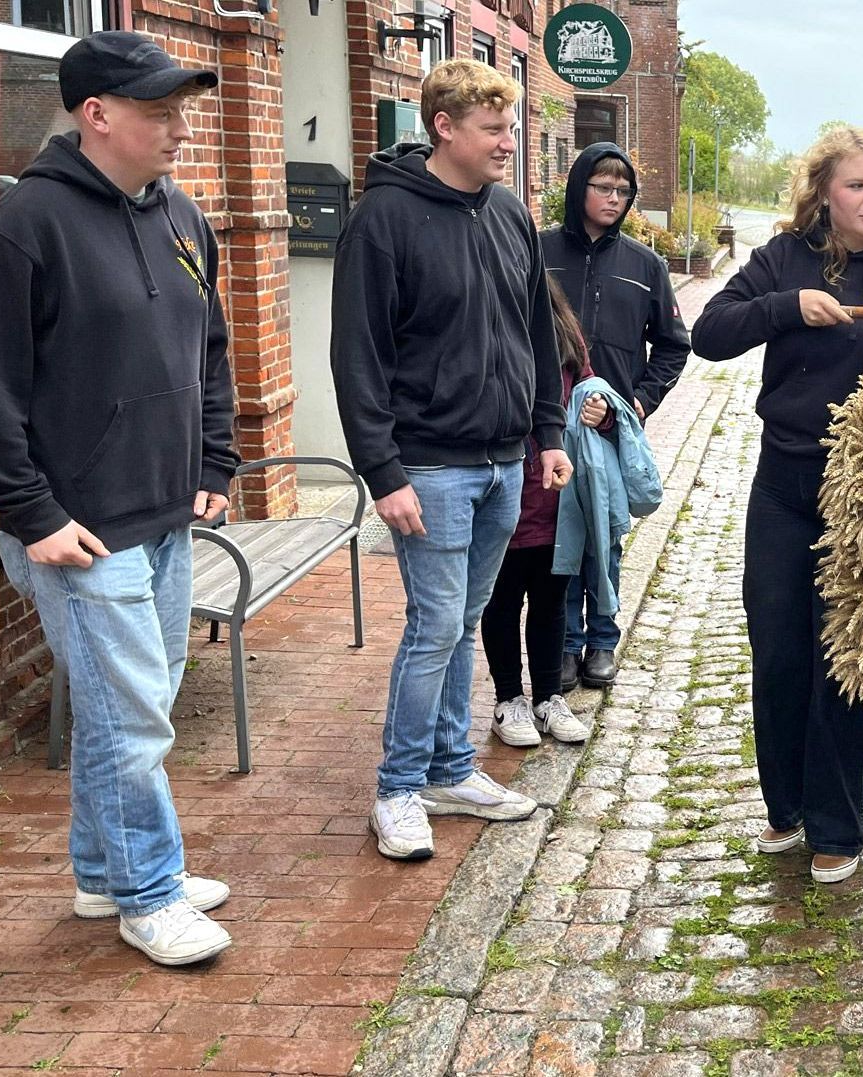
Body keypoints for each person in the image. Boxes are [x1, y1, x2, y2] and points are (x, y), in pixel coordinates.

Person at [0, 31, 238, 965]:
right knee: (131, 719)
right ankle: (149, 892)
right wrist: (33, 514)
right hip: (79, 529)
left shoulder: (183, 216)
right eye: (159, 112)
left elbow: (210, 349)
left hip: (164, 512)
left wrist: (215, 461)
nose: (179, 128)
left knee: (131, 703)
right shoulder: (23, 228)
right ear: (96, 114)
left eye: (180, 111)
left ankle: (101, 869)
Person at [331, 58, 568, 861]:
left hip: (504, 460)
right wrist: (383, 471)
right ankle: (398, 788)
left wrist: (548, 434)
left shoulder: (509, 214)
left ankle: (448, 769)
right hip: (429, 464)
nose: (509, 142)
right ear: (443, 126)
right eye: (494, 129)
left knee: (463, 622)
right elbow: (357, 355)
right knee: (435, 625)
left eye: (512, 127)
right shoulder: (384, 219)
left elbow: (536, 332)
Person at [690, 126, 863, 885]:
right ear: (825, 192)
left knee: (845, 661)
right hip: (782, 482)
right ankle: (787, 806)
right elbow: (709, 334)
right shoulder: (783, 258)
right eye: (857, 185)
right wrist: (786, 307)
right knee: (778, 648)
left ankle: (838, 826)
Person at [541, 143, 690, 691]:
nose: (614, 198)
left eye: (623, 191)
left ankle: (602, 640)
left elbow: (674, 344)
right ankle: (564, 644)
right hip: (549, 422)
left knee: (605, 537)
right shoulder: (539, 252)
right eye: (603, 187)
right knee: (558, 537)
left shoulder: (645, 265)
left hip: (611, 430)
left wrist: (638, 403)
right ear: (578, 186)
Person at [480, 278, 602, 749]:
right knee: (502, 601)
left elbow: (590, 392)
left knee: (552, 603)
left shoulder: (564, 333)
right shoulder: (488, 329)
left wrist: (602, 412)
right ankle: (508, 699)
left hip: (557, 495)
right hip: (503, 494)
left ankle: (549, 697)